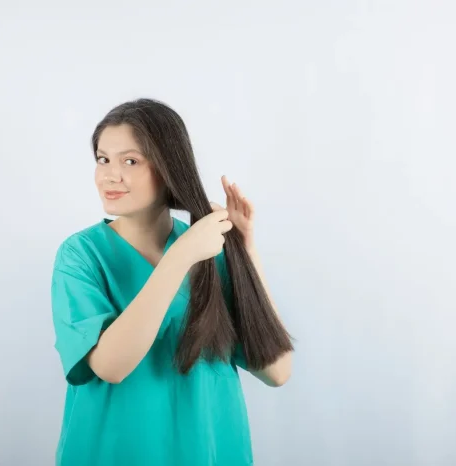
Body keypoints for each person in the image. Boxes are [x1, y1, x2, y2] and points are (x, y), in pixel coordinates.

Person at [50, 98, 293, 466]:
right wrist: (180, 257)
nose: (110, 175)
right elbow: (110, 366)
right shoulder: (81, 256)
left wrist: (244, 252)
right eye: (103, 159)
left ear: (168, 167)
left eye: (130, 161)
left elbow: (276, 371)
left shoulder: (212, 251)